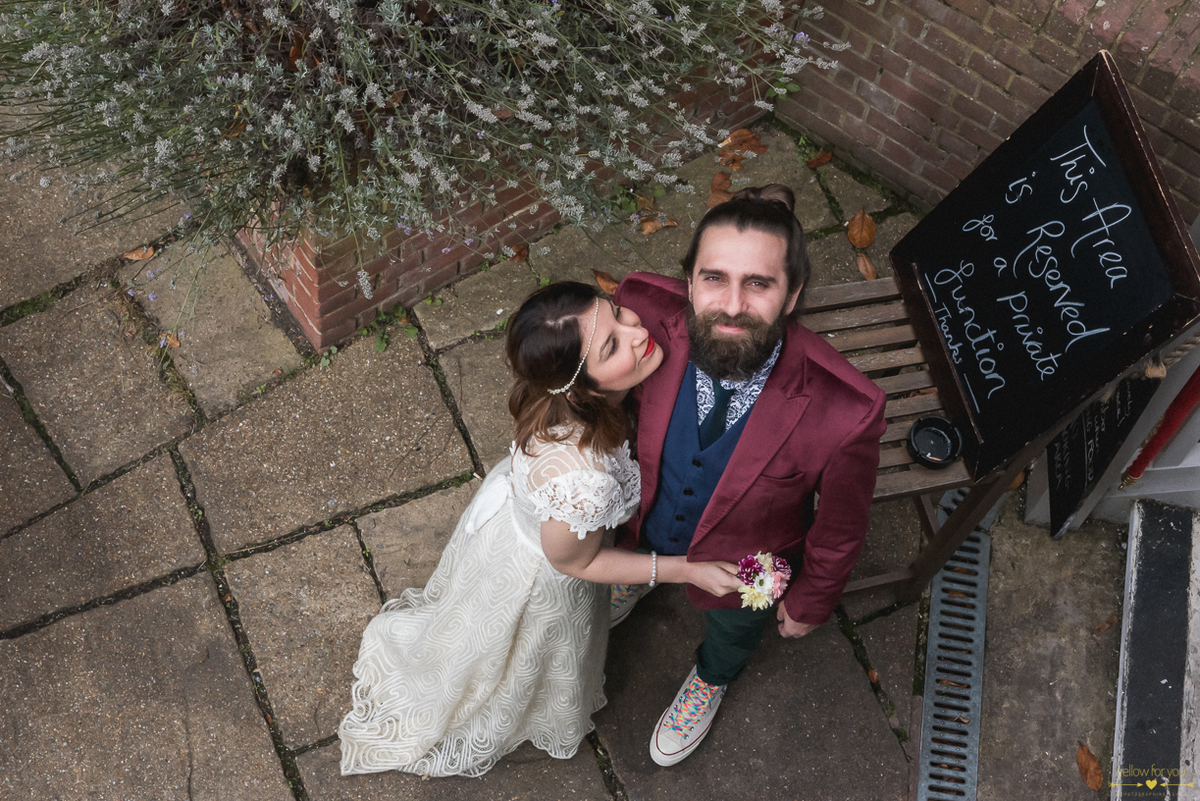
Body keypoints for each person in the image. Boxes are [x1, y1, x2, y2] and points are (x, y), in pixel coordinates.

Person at [338, 281, 743, 778]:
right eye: (612, 345)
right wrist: (685, 571)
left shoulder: (565, 402)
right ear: (577, 386)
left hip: (523, 526)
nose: (636, 332)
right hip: (545, 570)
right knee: (518, 662)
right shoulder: (582, 478)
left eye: (618, 314)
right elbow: (574, 560)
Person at [610, 184, 887, 766]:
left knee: (731, 636)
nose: (732, 304)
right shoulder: (644, 312)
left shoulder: (846, 411)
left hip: (746, 572)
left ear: (792, 297)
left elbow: (838, 530)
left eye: (758, 283)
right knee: (641, 553)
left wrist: (812, 600)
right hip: (648, 524)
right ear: (689, 282)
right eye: (714, 278)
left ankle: (711, 680)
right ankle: (640, 575)